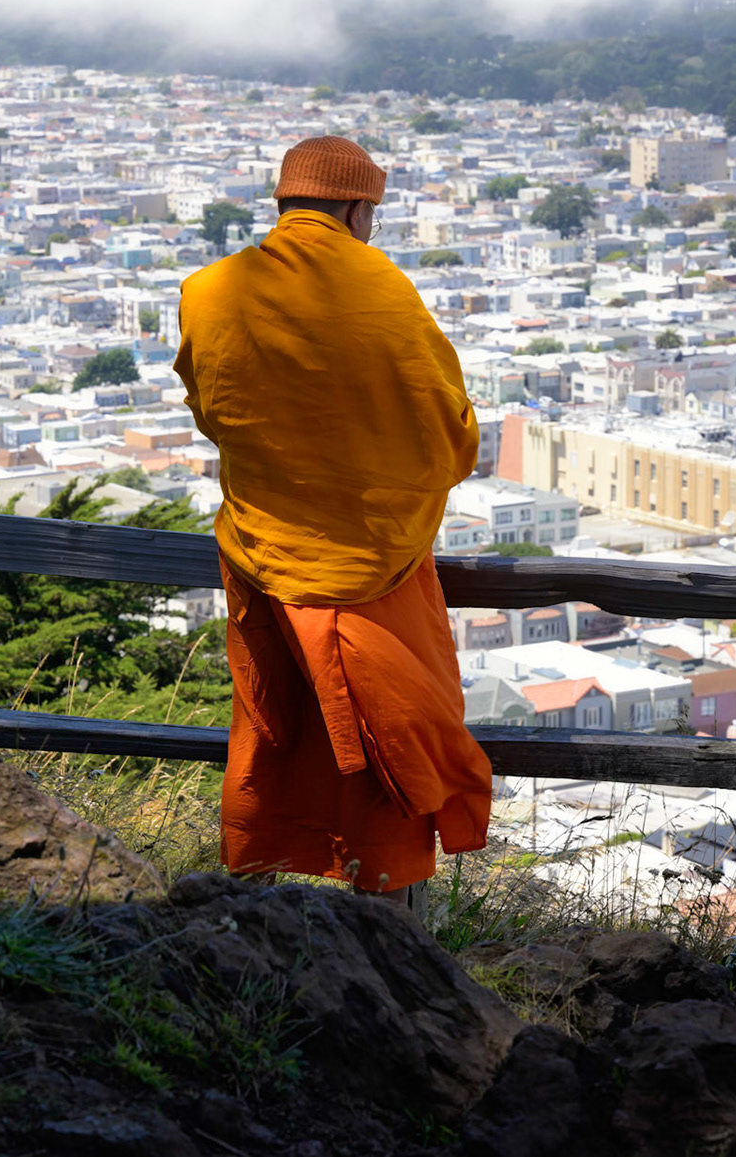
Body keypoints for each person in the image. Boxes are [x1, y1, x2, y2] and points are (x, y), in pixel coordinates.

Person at [173, 135, 492, 911]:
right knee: (387, 739)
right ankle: (391, 935)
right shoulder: (381, 287)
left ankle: (260, 913)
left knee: (277, 729)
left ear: (285, 206)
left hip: (264, 547)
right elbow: (447, 429)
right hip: (374, 564)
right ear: (357, 208)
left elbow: (212, 405)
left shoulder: (211, 289)